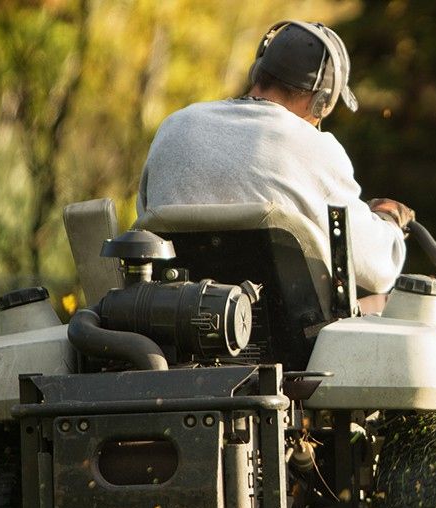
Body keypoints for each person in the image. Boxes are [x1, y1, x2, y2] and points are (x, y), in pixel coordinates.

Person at [137, 20, 411, 310]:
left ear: (258, 70)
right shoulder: (317, 149)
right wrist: (390, 223)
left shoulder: (176, 126)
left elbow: (148, 221)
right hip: (289, 345)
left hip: (171, 326)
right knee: (383, 304)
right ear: (322, 102)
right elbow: (378, 270)